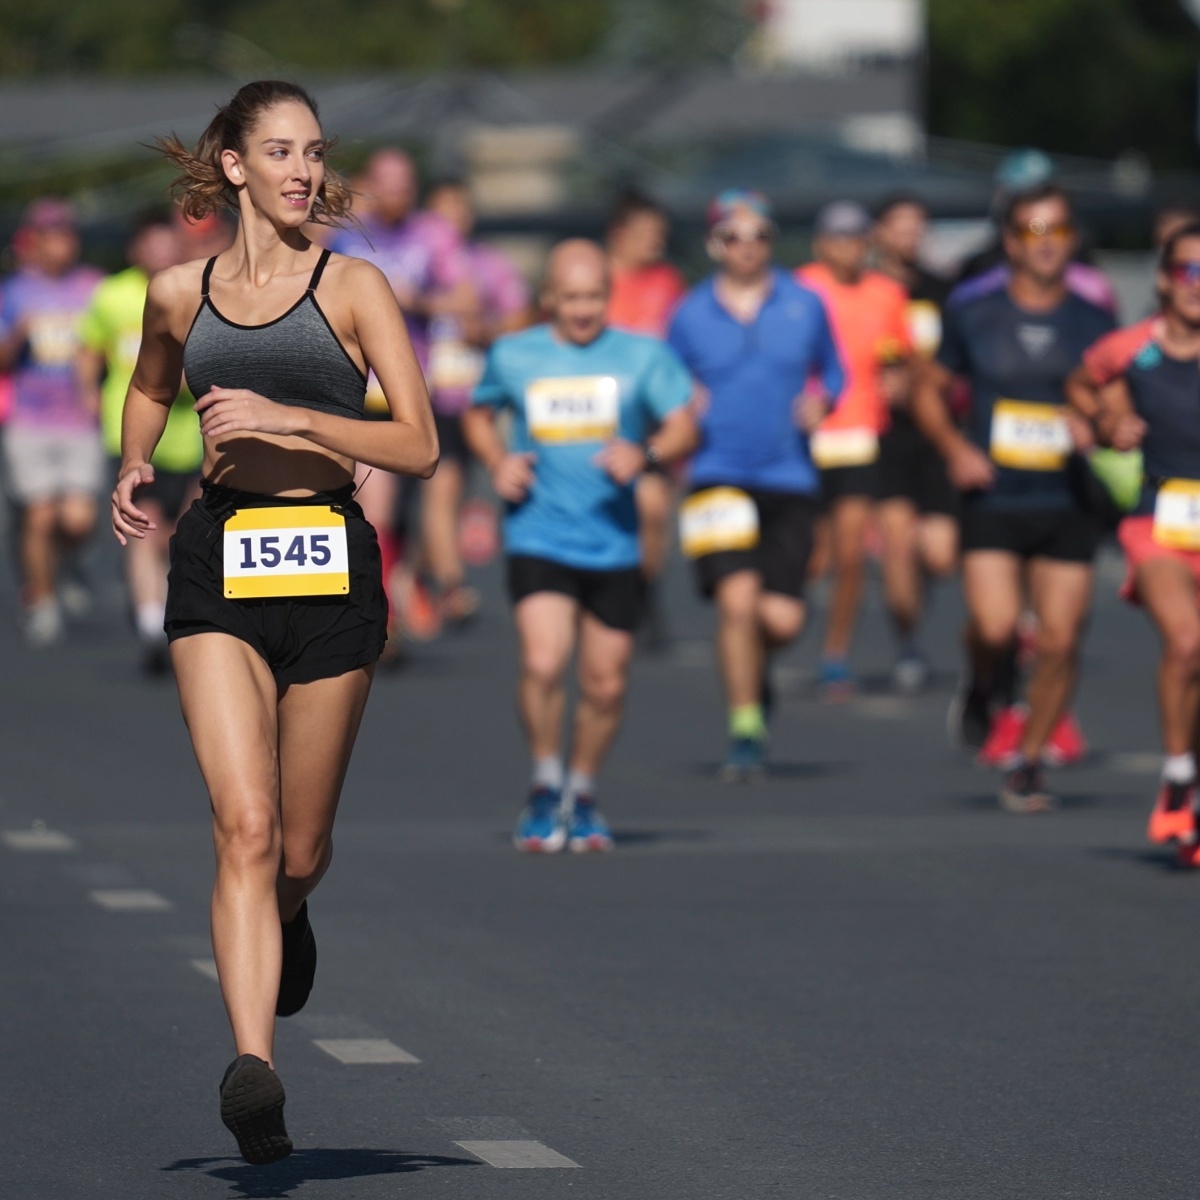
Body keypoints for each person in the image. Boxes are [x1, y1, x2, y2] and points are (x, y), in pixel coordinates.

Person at [112, 81, 437, 1164]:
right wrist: (129, 462)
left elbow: (419, 444)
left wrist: (294, 413)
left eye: (315, 151)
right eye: (282, 151)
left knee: (295, 848)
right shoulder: (177, 288)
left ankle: (290, 913)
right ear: (236, 166)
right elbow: (153, 383)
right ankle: (255, 1069)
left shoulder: (355, 288)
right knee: (240, 828)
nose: (304, 170)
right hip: (218, 561)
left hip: (329, 556)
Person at [463, 239, 696, 851]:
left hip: (613, 540)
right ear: (549, 299)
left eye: (594, 296)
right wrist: (497, 461)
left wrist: (642, 454)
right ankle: (544, 781)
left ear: (608, 296)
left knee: (606, 683)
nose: (583, 309)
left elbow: (684, 425)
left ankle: (583, 790)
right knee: (543, 660)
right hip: (538, 530)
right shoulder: (516, 355)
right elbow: (478, 413)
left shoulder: (643, 356)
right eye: (570, 297)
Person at [913, 185, 1115, 813]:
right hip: (994, 495)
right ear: (1010, 243)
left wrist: (1097, 426)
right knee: (997, 627)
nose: (1047, 241)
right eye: (1033, 230)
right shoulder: (975, 313)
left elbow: (1114, 401)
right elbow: (927, 391)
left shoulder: (1093, 318)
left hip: (1065, 498)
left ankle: (1027, 761)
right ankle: (983, 684)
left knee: (1057, 641)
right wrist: (954, 448)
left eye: (1058, 229)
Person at [668, 190, 844, 779]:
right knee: (737, 604)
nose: (749, 247)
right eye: (736, 236)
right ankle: (746, 726)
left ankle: (753, 674)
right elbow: (664, 385)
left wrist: (823, 400)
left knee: (783, 620)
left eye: (761, 235)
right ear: (715, 244)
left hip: (789, 474)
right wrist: (679, 403)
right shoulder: (690, 313)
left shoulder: (805, 303)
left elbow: (835, 371)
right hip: (716, 475)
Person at [1083, 222, 1200, 860]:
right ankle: (1179, 775)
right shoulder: (1132, 347)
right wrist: (1107, 421)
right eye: (1191, 272)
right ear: (1164, 280)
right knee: (1186, 643)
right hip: (1159, 518)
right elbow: (1082, 383)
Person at [330, 149, 474, 650]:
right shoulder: (345, 236)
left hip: (417, 390)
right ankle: (382, 614)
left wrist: (420, 300)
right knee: (378, 511)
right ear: (369, 184)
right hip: (360, 392)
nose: (395, 192)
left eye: (404, 182)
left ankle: (409, 587)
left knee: (419, 512)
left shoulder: (432, 235)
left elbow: (467, 300)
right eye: (385, 182)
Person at [78, 211, 202, 673]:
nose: (161, 252)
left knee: (179, 535)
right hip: (131, 434)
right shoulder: (112, 296)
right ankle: (153, 622)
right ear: (136, 249)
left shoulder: (196, 291)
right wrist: (89, 395)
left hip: (190, 437)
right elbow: (89, 348)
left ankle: (169, 608)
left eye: (168, 243)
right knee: (144, 528)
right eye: (151, 244)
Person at [797, 201, 912, 696]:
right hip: (805, 434)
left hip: (860, 430)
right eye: (839, 237)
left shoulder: (887, 294)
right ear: (821, 243)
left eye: (858, 237)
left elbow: (899, 356)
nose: (849, 247)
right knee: (812, 557)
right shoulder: (800, 288)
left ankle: (836, 652)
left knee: (851, 553)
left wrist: (898, 382)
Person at [423, 178, 530, 625]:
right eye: (443, 210)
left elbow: (520, 316)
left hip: (479, 395)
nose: (453, 219)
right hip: (428, 394)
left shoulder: (488, 264)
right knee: (442, 483)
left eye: (460, 209)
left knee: (462, 484)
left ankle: (426, 574)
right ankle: (451, 583)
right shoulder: (413, 262)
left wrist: (484, 331)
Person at [0, 198, 103, 646]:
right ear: (35, 243)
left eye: (68, 234)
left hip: (80, 420)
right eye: (53, 235)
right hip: (30, 418)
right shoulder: (14, 292)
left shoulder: (93, 287)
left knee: (78, 519)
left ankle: (70, 564)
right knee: (40, 515)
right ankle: (41, 600)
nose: (63, 243)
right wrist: (19, 334)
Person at [870, 194, 958, 692]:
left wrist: (926, 378)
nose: (908, 234)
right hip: (886, 433)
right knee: (898, 542)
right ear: (879, 232)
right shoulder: (865, 287)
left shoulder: (942, 289)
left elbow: (957, 357)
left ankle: (911, 601)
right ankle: (908, 641)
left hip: (938, 430)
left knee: (940, 554)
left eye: (916, 225)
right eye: (898, 225)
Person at [605, 190, 689, 648]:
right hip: (599, 421)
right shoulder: (596, 281)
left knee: (654, 511)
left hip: (652, 421)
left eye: (661, 235)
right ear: (620, 235)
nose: (656, 242)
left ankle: (642, 592)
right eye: (648, 234)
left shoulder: (668, 283)